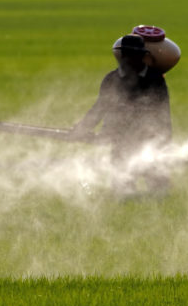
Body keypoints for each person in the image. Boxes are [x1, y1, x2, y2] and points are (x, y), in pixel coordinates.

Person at [72, 33, 173, 193]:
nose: (127, 60)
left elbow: (162, 111)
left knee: (159, 189)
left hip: (149, 140)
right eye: (125, 55)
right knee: (122, 188)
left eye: (132, 56)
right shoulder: (112, 79)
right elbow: (100, 107)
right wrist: (84, 127)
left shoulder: (155, 80)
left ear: (141, 57)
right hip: (119, 140)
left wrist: (165, 139)